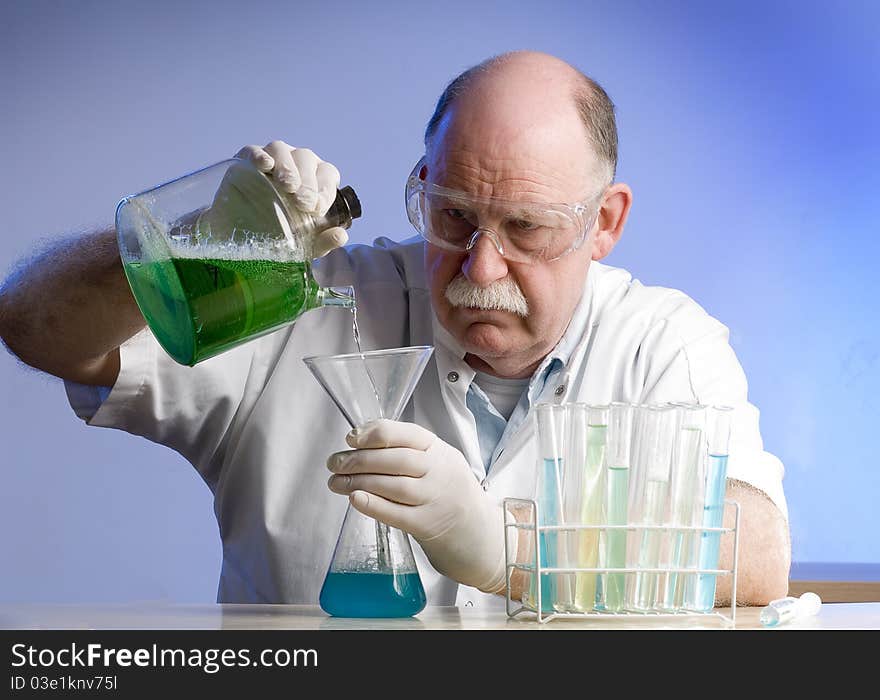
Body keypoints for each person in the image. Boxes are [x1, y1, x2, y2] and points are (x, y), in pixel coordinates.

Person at [0, 50, 790, 608]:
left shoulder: (659, 343)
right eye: (453, 215)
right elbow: (35, 327)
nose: (481, 269)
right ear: (420, 185)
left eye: (527, 227)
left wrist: (505, 545)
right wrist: (204, 244)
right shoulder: (309, 296)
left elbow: (757, 555)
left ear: (605, 221)